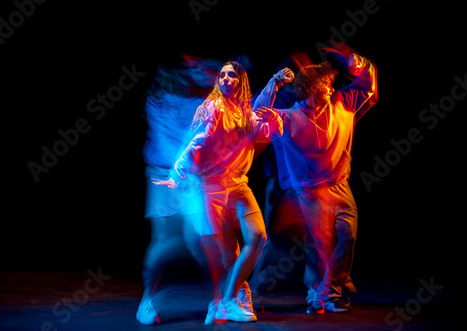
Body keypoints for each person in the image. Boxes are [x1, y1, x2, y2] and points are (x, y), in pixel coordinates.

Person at [154, 61, 293, 324]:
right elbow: (197, 142)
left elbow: (263, 125)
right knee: (227, 250)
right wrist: (176, 174)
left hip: (238, 184)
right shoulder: (214, 107)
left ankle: (230, 298)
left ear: (241, 81)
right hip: (211, 187)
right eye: (222, 75)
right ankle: (229, 299)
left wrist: (274, 114)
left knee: (258, 237)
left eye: (232, 75)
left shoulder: (245, 113)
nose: (226, 78)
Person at [254, 45, 378, 313]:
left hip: (340, 186)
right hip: (311, 192)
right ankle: (323, 294)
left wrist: (355, 61)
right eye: (326, 86)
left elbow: (367, 84)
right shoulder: (289, 117)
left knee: (348, 236)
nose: (332, 89)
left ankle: (327, 290)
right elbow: (260, 118)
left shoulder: (342, 104)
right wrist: (273, 85)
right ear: (309, 91)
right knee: (321, 247)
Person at [136, 57, 221, 325]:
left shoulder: (204, 99)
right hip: (165, 176)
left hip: (195, 177)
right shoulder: (159, 100)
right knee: (164, 241)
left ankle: (222, 299)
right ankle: (146, 300)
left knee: (203, 242)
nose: (192, 71)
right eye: (186, 68)